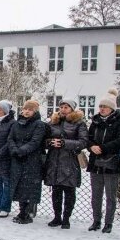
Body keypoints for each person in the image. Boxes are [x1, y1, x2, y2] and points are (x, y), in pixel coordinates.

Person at [85, 88, 120, 234]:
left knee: (110, 195)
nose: (102, 109)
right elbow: (88, 138)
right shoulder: (95, 121)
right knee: (96, 195)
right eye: (101, 106)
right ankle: (96, 220)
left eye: (105, 107)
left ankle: (108, 223)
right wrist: (91, 146)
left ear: (112, 109)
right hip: (95, 161)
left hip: (111, 162)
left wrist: (102, 148)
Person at [43, 98, 88, 229]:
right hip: (54, 161)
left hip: (69, 162)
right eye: (61, 107)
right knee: (56, 192)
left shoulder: (79, 123)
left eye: (66, 107)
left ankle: (66, 218)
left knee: (69, 191)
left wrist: (64, 143)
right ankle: (57, 217)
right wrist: (49, 142)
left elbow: (83, 141)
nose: (63, 109)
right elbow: (44, 139)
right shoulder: (53, 122)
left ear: (72, 109)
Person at [8, 100, 47, 224]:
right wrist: (14, 150)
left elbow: (35, 142)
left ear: (34, 111)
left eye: (30, 110)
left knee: (29, 187)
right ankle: (21, 211)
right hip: (18, 159)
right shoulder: (16, 124)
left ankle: (27, 213)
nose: (26, 111)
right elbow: (11, 139)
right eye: (25, 109)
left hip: (32, 160)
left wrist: (21, 151)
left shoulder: (39, 124)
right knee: (19, 186)